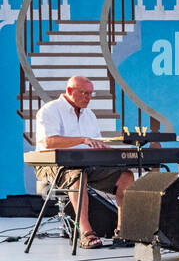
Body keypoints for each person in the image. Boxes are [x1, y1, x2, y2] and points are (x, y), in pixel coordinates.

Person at [33, 75, 134, 249]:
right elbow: (48, 142)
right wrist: (83, 140)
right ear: (70, 91)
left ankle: (122, 230)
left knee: (126, 175)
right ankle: (85, 232)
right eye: (84, 93)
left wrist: (104, 149)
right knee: (78, 175)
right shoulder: (50, 110)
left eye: (90, 94)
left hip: (85, 164)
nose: (88, 98)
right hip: (51, 165)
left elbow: (91, 142)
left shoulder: (90, 115)